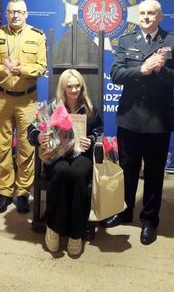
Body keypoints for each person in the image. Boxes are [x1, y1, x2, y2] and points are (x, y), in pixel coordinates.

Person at [102, 0, 174, 246]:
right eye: (142, 13)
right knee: (127, 168)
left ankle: (149, 220)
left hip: (159, 120)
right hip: (130, 117)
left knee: (154, 173)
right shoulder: (126, 40)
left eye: (151, 13)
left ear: (160, 16)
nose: (146, 17)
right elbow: (116, 74)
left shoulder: (173, 42)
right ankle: (124, 210)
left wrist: (161, 69)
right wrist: (143, 69)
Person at [28, 69, 103, 256]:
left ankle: (76, 233)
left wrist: (91, 140)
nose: (74, 90)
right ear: (63, 88)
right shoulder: (52, 107)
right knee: (62, 172)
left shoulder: (89, 108)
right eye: (70, 86)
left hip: (81, 155)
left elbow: (98, 130)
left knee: (77, 174)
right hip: (57, 155)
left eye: (77, 86)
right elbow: (32, 130)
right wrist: (39, 137)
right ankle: (54, 227)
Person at [0, 0, 47, 214]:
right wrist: (1, 69)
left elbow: (41, 67)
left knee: (26, 148)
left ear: (26, 14)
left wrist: (22, 70)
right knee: (2, 147)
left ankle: (22, 192)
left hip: (27, 100)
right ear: (6, 14)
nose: (15, 15)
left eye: (19, 12)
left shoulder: (36, 36)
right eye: (11, 12)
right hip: (2, 98)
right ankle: (4, 192)